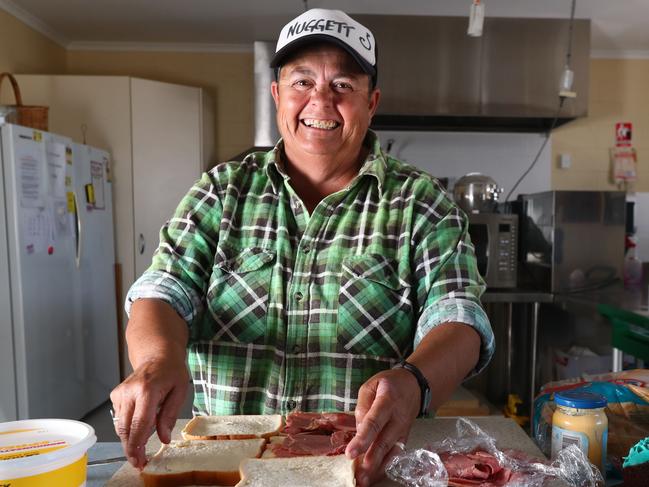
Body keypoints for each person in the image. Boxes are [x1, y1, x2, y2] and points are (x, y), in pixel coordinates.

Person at [110, 8, 494, 486]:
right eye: (302, 82)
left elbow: (458, 316)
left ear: (371, 102)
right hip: (226, 470)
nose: (321, 101)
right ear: (277, 95)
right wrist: (158, 360)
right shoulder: (220, 192)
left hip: (361, 469)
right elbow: (164, 290)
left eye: (343, 86)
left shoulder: (421, 202)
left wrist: (415, 382)